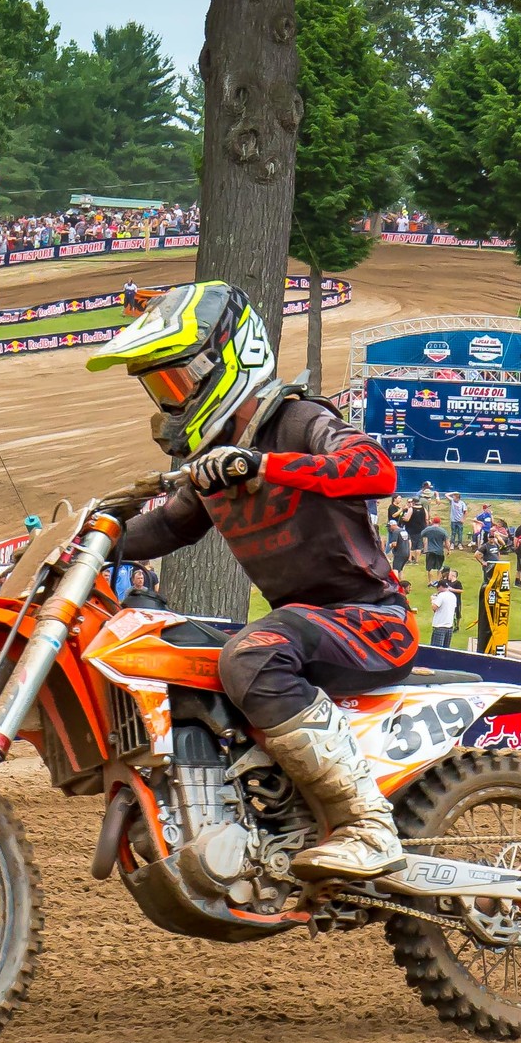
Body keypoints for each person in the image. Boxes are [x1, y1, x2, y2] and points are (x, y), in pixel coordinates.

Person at [90, 280, 413, 880]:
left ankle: (369, 827)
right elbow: (168, 528)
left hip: (371, 623)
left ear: (231, 358)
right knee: (181, 651)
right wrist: (91, 543)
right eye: (159, 386)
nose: (172, 399)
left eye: (179, 380)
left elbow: (376, 469)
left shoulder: (297, 419)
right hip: (304, 630)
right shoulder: (215, 459)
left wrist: (265, 465)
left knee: (250, 655)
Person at [429, 577, 459, 648]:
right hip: (449, 626)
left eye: (438, 588)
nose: (437, 590)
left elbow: (434, 608)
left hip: (440, 626)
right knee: (446, 650)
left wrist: (433, 600)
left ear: (441, 587)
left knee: (436, 649)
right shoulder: (453, 596)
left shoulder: (441, 595)